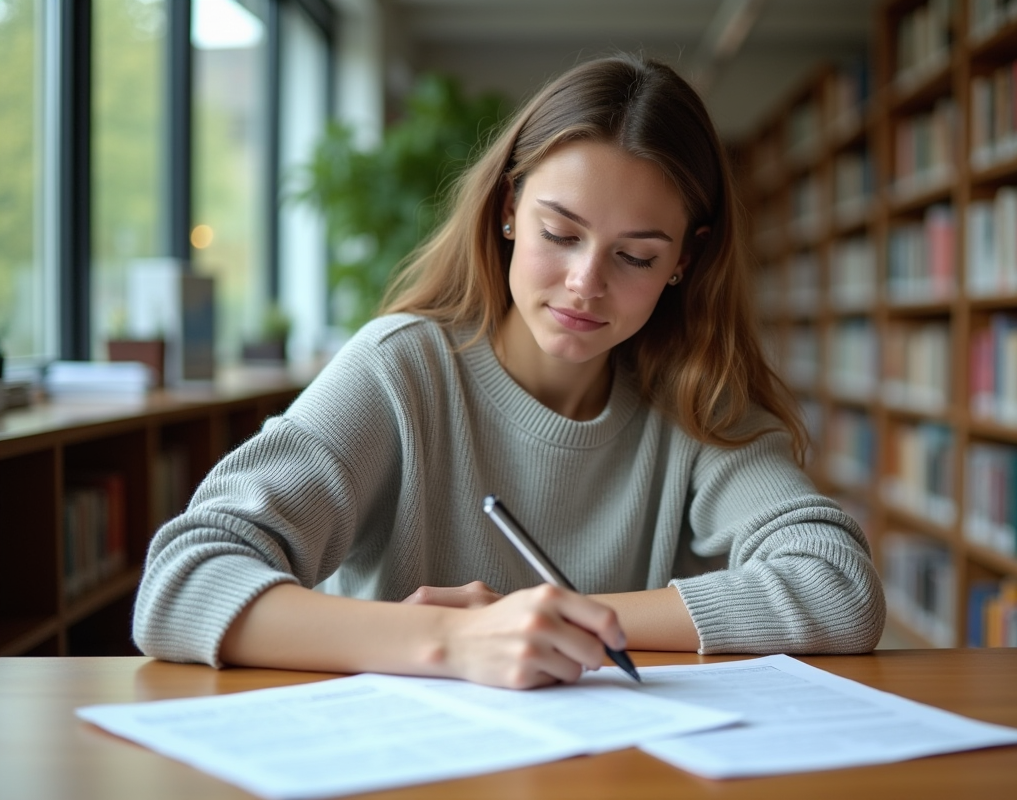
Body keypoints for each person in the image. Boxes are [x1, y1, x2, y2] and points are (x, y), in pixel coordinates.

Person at [133, 54, 885, 689]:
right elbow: (181, 584)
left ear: (683, 262)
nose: (586, 284)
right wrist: (450, 642)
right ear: (507, 210)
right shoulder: (402, 369)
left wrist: (552, 627)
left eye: (636, 256)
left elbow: (840, 587)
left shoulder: (695, 396)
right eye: (560, 233)